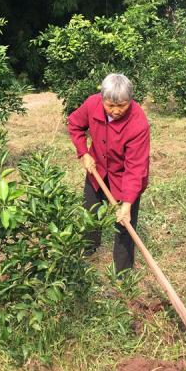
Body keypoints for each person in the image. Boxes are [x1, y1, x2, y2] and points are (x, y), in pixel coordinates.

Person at [67, 74, 150, 274]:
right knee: (90, 212)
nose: (116, 111)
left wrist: (127, 204)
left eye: (121, 105)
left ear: (130, 100)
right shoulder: (92, 104)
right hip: (97, 171)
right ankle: (88, 255)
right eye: (110, 105)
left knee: (124, 225)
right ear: (102, 97)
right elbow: (74, 124)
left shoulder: (138, 123)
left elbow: (135, 168)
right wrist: (83, 152)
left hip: (124, 177)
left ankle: (122, 275)